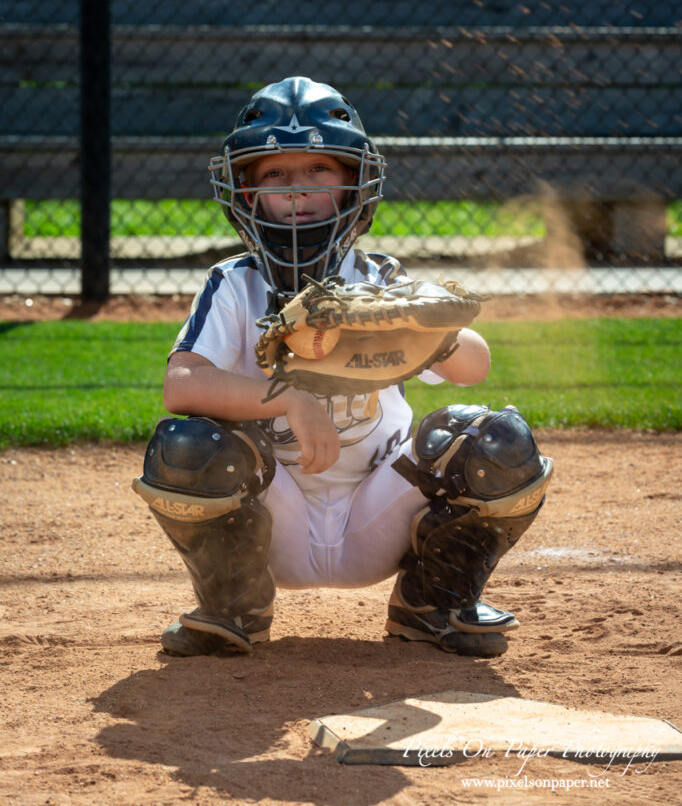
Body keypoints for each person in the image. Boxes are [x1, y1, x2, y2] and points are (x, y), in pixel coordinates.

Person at [133, 76, 552, 659]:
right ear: (247, 192)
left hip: (377, 509)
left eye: (318, 172)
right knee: (185, 444)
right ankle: (234, 606)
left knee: (496, 440)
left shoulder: (380, 280)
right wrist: (287, 399)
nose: (297, 189)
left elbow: (475, 365)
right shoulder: (236, 283)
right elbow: (181, 384)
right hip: (273, 516)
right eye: (275, 174)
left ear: (355, 185)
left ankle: (431, 603)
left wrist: (424, 334)